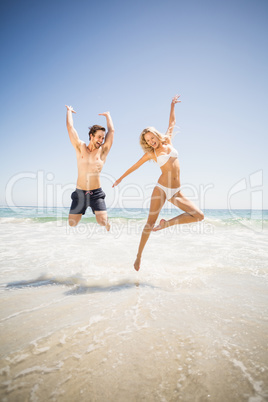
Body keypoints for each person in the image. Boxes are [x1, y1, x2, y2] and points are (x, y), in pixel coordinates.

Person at [113, 95, 204, 271]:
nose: (150, 142)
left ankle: (165, 225)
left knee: (199, 215)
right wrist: (121, 178)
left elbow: (172, 122)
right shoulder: (151, 154)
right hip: (161, 189)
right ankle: (138, 256)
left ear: (156, 134)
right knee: (149, 222)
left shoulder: (168, 140)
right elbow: (135, 166)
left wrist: (172, 105)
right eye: (147, 141)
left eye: (151, 138)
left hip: (177, 191)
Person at [65, 105, 114, 231]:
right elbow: (70, 128)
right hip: (80, 193)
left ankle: (107, 221)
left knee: (102, 222)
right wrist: (69, 111)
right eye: (99, 137)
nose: (101, 140)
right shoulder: (80, 147)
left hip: (96, 194)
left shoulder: (103, 151)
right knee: (72, 223)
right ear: (91, 136)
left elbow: (111, 132)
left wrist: (108, 116)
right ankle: (81, 212)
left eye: (102, 138)